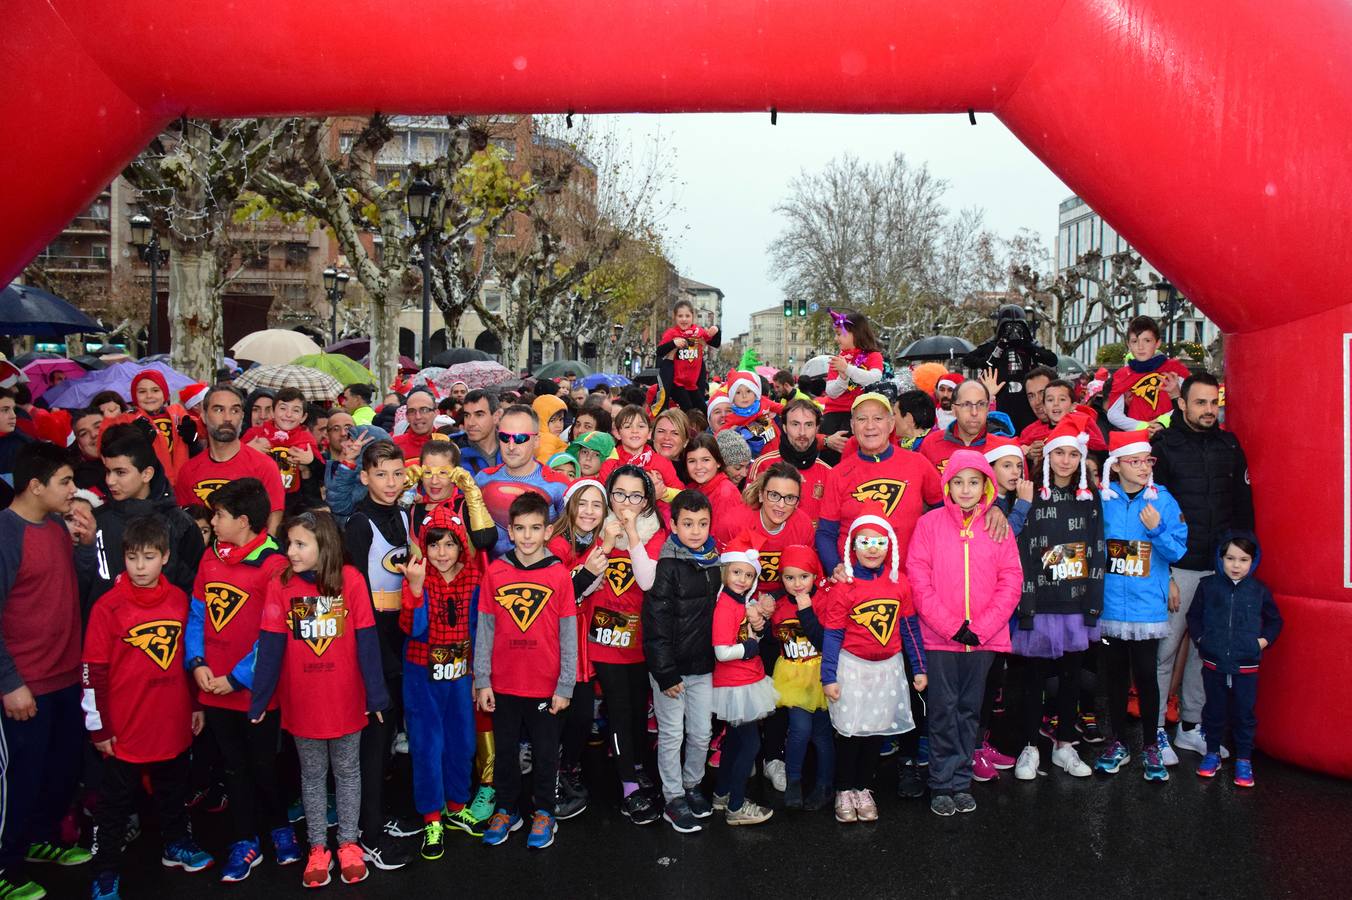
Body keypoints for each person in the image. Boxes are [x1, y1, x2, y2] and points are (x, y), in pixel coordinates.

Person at [248, 511, 391, 888]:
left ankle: (347, 843)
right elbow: (271, 644)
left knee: (347, 773)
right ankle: (317, 848)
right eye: (289, 543)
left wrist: (376, 695)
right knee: (311, 777)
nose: (290, 552)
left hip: (346, 699)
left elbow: (366, 641)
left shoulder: (352, 582)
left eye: (299, 544)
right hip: (303, 702)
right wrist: (259, 700)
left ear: (323, 546)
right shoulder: (281, 585)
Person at [84, 516, 214, 900]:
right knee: (114, 806)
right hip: (125, 727)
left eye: (149, 557)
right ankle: (105, 870)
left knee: (173, 790)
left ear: (166, 557)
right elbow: (93, 673)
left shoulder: (178, 600)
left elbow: (192, 656)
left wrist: (195, 705)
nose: (140, 567)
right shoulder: (108, 607)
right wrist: (99, 729)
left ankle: (176, 843)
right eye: (132, 557)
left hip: (171, 719)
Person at [184, 478, 297, 881]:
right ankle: (245, 839)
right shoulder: (209, 557)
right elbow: (197, 614)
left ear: (245, 521)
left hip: (254, 691)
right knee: (233, 769)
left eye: (220, 515)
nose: (213, 521)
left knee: (265, 765)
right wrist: (196, 662)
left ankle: (281, 827)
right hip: (212, 687)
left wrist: (238, 677)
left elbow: (276, 632)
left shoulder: (274, 564)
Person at [906, 450, 1022, 816]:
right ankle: (941, 782)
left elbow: (1011, 580)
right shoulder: (930, 525)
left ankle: (961, 779)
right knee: (942, 711)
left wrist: (983, 628)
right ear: (947, 486)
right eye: (958, 482)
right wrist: (952, 627)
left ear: (986, 485)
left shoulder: (996, 525)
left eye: (974, 482)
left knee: (970, 711)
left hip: (983, 641)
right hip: (941, 639)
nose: (966, 489)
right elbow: (918, 581)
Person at [1151, 372, 1254, 763]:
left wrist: (1243, 560)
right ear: (1182, 404)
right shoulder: (1165, 446)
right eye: (1200, 403)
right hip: (1177, 568)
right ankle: (1155, 731)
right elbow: (1152, 513)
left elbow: (1243, 507)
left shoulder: (1230, 445)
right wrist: (1162, 571)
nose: (1209, 410)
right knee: (1163, 652)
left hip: (1218, 570)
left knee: (1203, 652)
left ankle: (1190, 727)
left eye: (1214, 403)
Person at [0, 442, 86, 900]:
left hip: (65, 678)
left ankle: (38, 840)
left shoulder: (56, 526)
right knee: (18, 780)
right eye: (66, 482)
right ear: (35, 486)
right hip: (23, 686)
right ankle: (4, 866)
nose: (75, 489)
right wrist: (10, 683)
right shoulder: (4, 535)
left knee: (59, 769)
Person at [474, 492, 577, 850]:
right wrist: (482, 679)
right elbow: (485, 628)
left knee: (546, 754)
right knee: (505, 753)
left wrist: (566, 685)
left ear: (548, 531)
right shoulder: (497, 572)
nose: (528, 536)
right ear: (510, 531)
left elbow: (568, 634)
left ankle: (544, 811)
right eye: (521, 529)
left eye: (536, 528)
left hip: (545, 686)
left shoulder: (559, 575)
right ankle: (506, 809)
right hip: (503, 684)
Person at [1012, 411, 1105, 781]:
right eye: (1058, 454)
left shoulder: (1089, 498)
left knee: (1071, 677)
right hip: (1039, 601)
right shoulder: (1029, 493)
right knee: (1033, 679)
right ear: (1046, 456)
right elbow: (1020, 550)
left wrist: (1092, 602)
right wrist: (1026, 602)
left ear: (1081, 459)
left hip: (1075, 601)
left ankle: (1066, 744)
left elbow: (1097, 547)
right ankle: (1030, 747)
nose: (1065, 461)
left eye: (1072, 455)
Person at [819, 511, 925, 824]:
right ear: (853, 546)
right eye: (865, 541)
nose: (872, 548)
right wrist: (828, 675)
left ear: (889, 545)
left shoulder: (899, 583)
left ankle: (864, 787)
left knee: (875, 734)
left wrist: (918, 667)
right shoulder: (844, 587)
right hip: (852, 670)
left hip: (887, 670)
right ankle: (844, 789)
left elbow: (909, 628)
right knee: (851, 734)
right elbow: (833, 633)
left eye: (879, 541)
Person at [1094, 432, 1188, 781]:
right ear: (1116, 465)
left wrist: (1157, 528)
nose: (1143, 468)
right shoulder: (1103, 499)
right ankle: (1117, 742)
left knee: (1147, 676)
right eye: (1134, 462)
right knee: (1115, 677)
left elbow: (1177, 550)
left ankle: (1151, 742)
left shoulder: (1162, 500)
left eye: (1147, 461)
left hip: (1147, 607)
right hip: (1110, 607)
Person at [341, 440, 416, 870]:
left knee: (390, 740)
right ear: (365, 476)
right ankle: (366, 832)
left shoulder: (405, 516)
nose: (391, 482)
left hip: (402, 636)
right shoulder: (358, 523)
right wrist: (376, 658)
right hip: (370, 642)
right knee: (372, 740)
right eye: (381, 474)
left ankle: (380, 815)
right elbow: (351, 594)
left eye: (397, 474)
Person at [582, 466, 667, 825]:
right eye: (618, 495)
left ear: (646, 500)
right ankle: (628, 788)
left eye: (635, 496)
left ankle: (632, 764)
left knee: (636, 709)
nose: (626, 504)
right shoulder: (590, 527)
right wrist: (604, 542)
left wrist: (630, 534)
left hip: (639, 641)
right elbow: (580, 585)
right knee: (618, 710)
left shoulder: (657, 535)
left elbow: (648, 582)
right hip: (603, 640)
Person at [398, 504, 483, 857]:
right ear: (424, 547)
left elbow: (480, 627)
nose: (442, 553)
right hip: (422, 675)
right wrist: (416, 590)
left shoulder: (475, 577)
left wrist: (481, 673)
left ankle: (457, 805)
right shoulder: (418, 577)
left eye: (449, 544)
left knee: (463, 741)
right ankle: (432, 816)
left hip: (461, 673)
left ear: (461, 544)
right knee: (427, 744)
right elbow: (412, 628)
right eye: (434, 545)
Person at [643, 489, 721, 833]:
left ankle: (692, 785)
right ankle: (673, 796)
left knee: (702, 733)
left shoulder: (715, 562)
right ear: (673, 525)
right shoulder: (667, 566)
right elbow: (656, 625)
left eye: (702, 524)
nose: (695, 531)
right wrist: (665, 672)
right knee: (672, 734)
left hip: (703, 667)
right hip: (671, 671)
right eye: (687, 523)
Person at [1186, 532, 1281, 787]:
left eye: (1243, 559)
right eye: (1230, 558)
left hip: (1247, 667)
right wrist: (1202, 640)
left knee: (1244, 715)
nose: (1236, 565)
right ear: (1220, 558)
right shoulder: (1207, 586)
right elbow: (1193, 617)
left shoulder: (1259, 590)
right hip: (1214, 664)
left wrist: (1260, 642)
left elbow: (1275, 621)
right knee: (1213, 712)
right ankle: (1212, 753)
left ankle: (1244, 760)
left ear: (1254, 561)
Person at [816, 393, 944, 577]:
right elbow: (826, 532)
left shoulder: (918, 464)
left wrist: (994, 506)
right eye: (862, 419)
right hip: (856, 584)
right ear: (853, 425)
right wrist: (835, 567)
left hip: (909, 581)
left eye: (878, 418)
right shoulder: (838, 474)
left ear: (891, 424)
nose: (870, 426)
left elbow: (948, 510)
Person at [81, 425, 205, 607]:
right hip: (106, 631)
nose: (110, 481)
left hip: (165, 631)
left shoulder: (181, 525)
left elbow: (196, 592)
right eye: (108, 471)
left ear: (146, 474)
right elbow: (82, 589)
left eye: (120, 472)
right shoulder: (95, 521)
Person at [708, 535, 777, 827]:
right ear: (725, 571)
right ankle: (737, 805)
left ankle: (722, 794)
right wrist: (750, 647)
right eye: (737, 572)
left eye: (749, 575)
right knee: (749, 746)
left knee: (735, 743)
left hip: (746, 679)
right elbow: (722, 651)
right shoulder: (725, 605)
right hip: (736, 684)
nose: (742, 579)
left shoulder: (741, 602)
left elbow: (748, 635)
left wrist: (757, 631)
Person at [769, 545, 833, 812]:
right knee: (799, 730)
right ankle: (794, 781)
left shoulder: (824, 602)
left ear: (815, 575)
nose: (797, 584)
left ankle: (825, 784)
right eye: (789, 578)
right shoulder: (779, 605)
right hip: (792, 677)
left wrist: (806, 611)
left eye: (804, 577)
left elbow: (824, 641)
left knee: (822, 735)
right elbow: (771, 638)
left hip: (820, 677)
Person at [175, 385, 285, 534]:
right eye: (219, 410)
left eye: (235, 410)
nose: (228, 418)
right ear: (204, 416)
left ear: (241, 416)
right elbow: (184, 525)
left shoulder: (264, 466)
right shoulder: (188, 471)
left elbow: (273, 526)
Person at [475, 404, 571, 557]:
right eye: (505, 437)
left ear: (536, 440)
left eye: (520, 438)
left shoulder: (559, 485)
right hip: (491, 576)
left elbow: (569, 537)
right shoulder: (482, 479)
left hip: (540, 576)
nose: (511, 446)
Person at [718, 462, 814, 596]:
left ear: (797, 503)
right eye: (774, 495)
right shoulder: (733, 523)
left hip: (784, 597)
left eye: (790, 498)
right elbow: (720, 575)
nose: (781, 505)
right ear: (761, 495)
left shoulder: (804, 526)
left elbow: (805, 578)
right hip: (739, 596)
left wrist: (773, 598)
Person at [961, 304, 1059, 434]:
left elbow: (1051, 359)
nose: (1013, 331)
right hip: (1001, 398)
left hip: (1026, 402)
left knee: (1028, 433)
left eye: (1018, 326)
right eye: (1008, 327)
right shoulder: (992, 345)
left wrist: (1027, 346)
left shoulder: (1030, 345)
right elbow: (968, 360)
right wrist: (998, 349)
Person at [749, 399, 832, 528]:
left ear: (817, 428)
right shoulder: (763, 465)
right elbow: (748, 515)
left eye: (809, 425)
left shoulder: (829, 473)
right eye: (795, 424)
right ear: (785, 427)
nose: (802, 432)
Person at [820, 308, 884, 465]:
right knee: (830, 460)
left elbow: (874, 378)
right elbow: (831, 392)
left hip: (860, 414)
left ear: (856, 333)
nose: (837, 339)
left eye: (840, 334)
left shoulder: (873, 356)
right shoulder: (838, 359)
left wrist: (847, 369)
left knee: (857, 460)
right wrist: (843, 378)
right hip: (834, 415)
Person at [243, 386, 323, 512]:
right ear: (273, 412)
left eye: (296, 410)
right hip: (258, 501)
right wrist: (246, 450)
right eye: (283, 408)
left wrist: (311, 461)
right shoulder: (255, 434)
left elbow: (322, 473)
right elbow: (233, 463)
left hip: (293, 505)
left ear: (303, 417)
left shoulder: (305, 439)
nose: (288, 414)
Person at [1107, 316, 1191, 433]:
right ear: (1128, 344)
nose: (1140, 347)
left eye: (1147, 341)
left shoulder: (1174, 369)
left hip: (1172, 434)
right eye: (1135, 341)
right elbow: (1113, 413)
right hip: (1138, 441)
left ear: (1157, 343)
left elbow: (1191, 403)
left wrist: (1164, 421)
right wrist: (1142, 427)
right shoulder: (1122, 375)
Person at [919, 380, 1014, 472]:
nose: (974, 412)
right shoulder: (931, 444)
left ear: (988, 408)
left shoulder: (1005, 448)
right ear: (954, 410)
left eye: (981, 404)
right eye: (966, 404)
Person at [126, 369, 200, 483]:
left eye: (155, 390)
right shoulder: (129, 421)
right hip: (148, 486)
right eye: (142, 391)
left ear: (164, 393)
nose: (149, 396)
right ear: (134, 395)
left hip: (183, 482)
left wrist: (193, 440)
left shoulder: (179, 416)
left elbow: (197, 454)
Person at [600, 405, 684, 502]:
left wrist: (663, 492)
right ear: (617, 433)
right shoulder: (611, 461)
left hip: (653, 515)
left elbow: (681, 493)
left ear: (649, 433)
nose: (635, 431)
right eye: (627, 426)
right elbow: (603, 490)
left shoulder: (660, 462)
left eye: (641, 426)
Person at [656, 299, 720, 412]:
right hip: (677, 383)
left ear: (693, 316)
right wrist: (673, 343)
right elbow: (659, 351)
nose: (684, 319)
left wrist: (716, 332)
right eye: (680, 316)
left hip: (692, 384)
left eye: (687, 316)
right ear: (675, 317)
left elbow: (715, 344)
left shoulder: (698, 331)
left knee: (703, 412)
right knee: (688, 409)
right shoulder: (671, 333)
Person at [682, 433, 742, 512]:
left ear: (718, 462)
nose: (698, 467)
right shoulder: (692, 488)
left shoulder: (726, 493)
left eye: (706, 460)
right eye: (692, 461)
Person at [455, 390, 502, 476]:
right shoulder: (451, 453)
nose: (470, 423)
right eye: (466, 415)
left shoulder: (515, 447)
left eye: (479, 415)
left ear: (496, 416)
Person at [393, 388, 442, 461]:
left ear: (436, 413)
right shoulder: (394, 446)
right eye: (412, 411)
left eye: (424, 410)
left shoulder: (447, 444)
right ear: (407, 417)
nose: (418, 417)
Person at [532, 393, 569, 464]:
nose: (559, 425)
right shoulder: (547, 439)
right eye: (552, 420)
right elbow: (545, 464)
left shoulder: (541, 438)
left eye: (561, 419)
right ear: (541, 420)